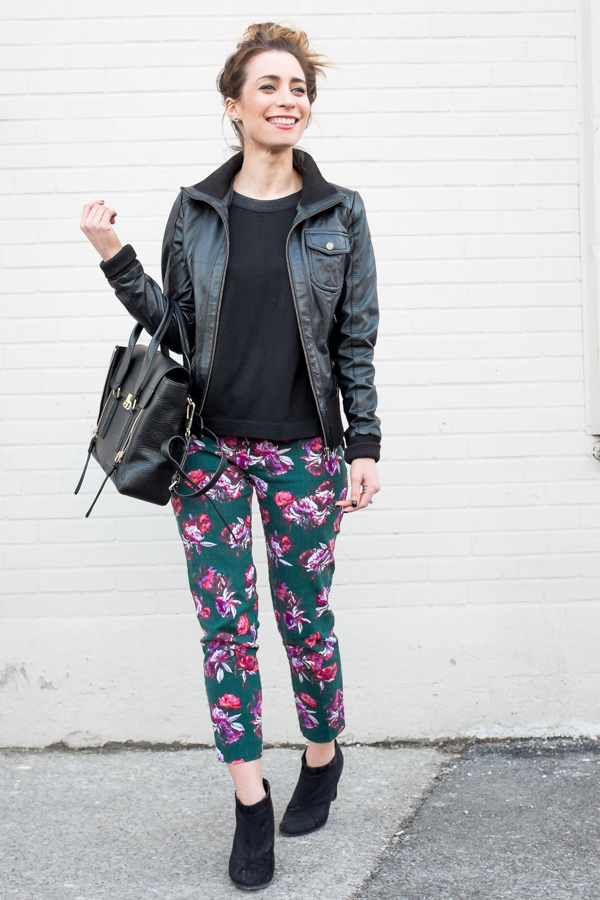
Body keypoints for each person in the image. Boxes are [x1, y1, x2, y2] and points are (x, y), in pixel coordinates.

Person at [80, 22, 381, 891]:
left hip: (305, 455)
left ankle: (321, 752)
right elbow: (177, 328)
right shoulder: (197, 210)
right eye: (270, 87)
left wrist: (364, 444)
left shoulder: (340, 212)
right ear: (234, 107)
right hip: (207, 452)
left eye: (299, 88)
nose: (289, 100)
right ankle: (250, 800)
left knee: (304, 618)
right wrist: (115, 261)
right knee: (227, 629)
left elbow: (354, 339)